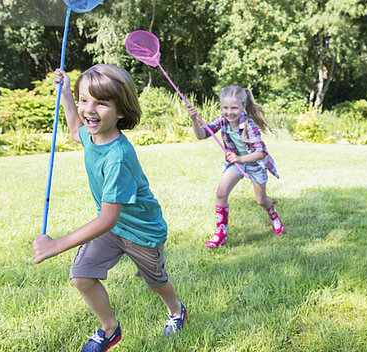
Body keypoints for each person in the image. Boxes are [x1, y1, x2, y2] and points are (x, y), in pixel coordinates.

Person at [33, 64, 186, 352]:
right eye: (84, 99)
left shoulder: (118, 157)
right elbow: (74, 128)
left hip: (141, 231)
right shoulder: (92, 135)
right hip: (113, 227)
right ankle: (109, 329)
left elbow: (106, 217)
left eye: (101, 103)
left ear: (121, 111)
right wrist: (66, 93)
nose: (89, 109)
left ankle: (176, 310)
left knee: (155, 281)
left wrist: (56, 245)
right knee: (81, 276)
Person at [187, 85, 283, 248]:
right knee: (221, 193)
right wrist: (194, 119)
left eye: (234, 108)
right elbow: (202, 135)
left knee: (261, 200)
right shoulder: (222, 120)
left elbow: (261, 152)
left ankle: (273, 214)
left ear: (243, 107)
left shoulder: (249, 125)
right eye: (225, 107)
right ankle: (221, 234)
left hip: (255, 164)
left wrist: (240, 158)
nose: (229, 112)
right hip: (236, 163)